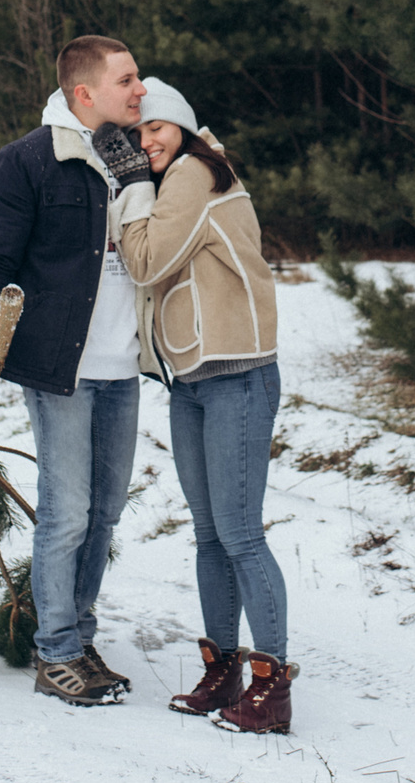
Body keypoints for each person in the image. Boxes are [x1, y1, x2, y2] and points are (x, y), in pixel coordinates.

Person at [0, 34, 157, 707]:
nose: (139, 90)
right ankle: (57, 651)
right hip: (59, 371)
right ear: (84, 93)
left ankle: (80, 634)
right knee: (66, 513)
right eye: (127, 79)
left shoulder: (135, 158)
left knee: (104, 513)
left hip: (121, 369)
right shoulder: (29, 162)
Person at [112, 78, 295, 734]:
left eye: (155, 127)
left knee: (239, 533)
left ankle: (270, 689)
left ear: (184, 126)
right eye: (135, 134)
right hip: (193, 378)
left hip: (237, 378)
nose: (145, 141)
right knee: (211, 534)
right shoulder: (186, 175)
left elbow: (145, 262)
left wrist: (130, 184)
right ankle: (222, 672)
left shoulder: (193, 170)